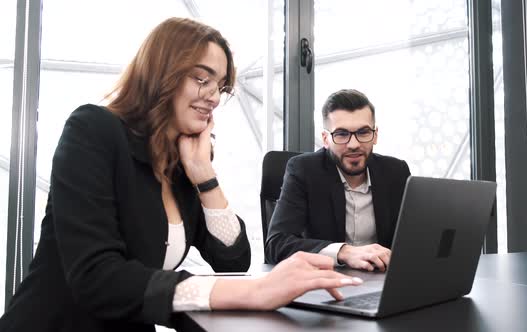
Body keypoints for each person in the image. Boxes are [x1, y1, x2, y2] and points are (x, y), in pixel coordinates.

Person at [0, 18, 362, 332]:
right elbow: (97, 277)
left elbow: (233, 261)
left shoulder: (181, 166)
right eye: (202, 78)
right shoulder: (93, 129)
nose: (214, 97)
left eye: (220, 86)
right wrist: (248, 292)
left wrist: (204, 177)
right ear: (161, 72)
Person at [265, 89, 411, 271]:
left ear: (375, 135)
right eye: (341, 134)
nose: (354, 144)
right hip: (326, 282)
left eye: (363, 132)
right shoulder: (304, 171)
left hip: (381, 283)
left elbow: (414, 240)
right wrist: (344, 252)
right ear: (326, 139)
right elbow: (276, 244)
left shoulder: (396, 172)